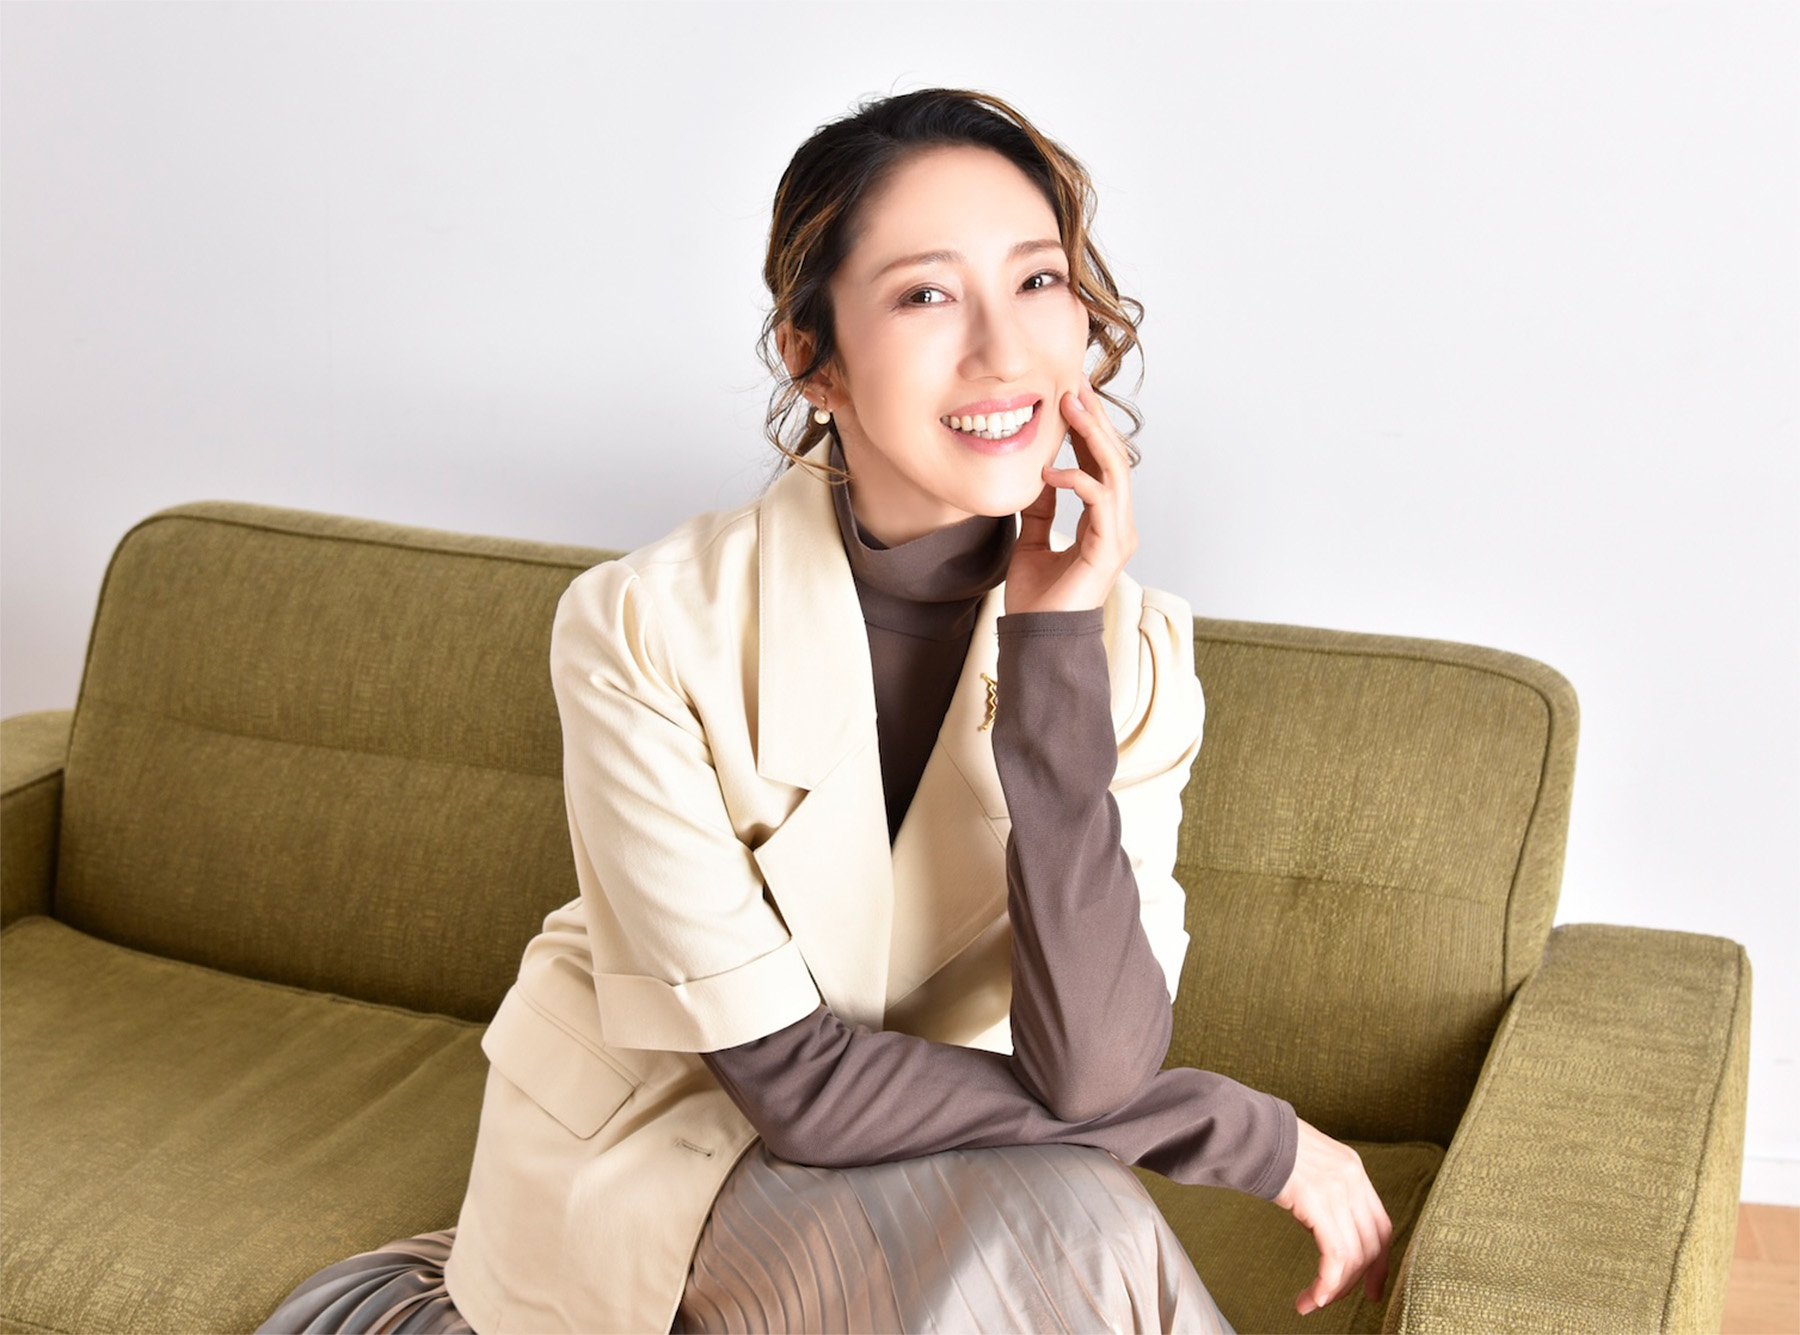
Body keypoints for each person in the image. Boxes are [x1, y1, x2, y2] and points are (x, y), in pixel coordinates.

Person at [259, 87, 1392, 1335]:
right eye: (926, 295)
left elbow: (1093, 1069)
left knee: (1072, 1226)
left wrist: (1054, 651)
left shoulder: (1136, 652)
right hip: (673, 1141)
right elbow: (795, 1087)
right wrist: (1227, 1128)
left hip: (958, 1145)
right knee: (1069, 1233)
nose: (1004, 353)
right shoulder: (644, 624)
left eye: (1038, 281)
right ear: (814, 357)